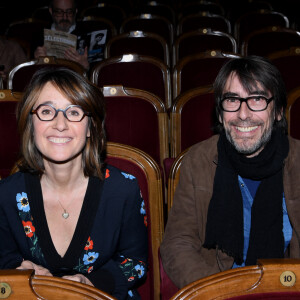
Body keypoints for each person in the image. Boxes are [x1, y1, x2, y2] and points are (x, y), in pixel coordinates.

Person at [0, 67, 148, 300]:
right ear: (31, 123)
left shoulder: (123, 189)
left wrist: (90, 282)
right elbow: (4, 257)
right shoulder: (6, 194)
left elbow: (136, 264)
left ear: (91, 126)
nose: (60, 124)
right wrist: (18, 270)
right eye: (47, 111)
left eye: (74, 111)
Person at [160, 55, 300, 289]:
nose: (243, 114)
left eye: (257, 99)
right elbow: (177, 243)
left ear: (277, 112)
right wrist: (218, 291)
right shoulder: (199, 160)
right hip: (218, 285)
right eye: (232, 100)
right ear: (220, 111)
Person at [34, 0, 90, 70]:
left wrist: (85, 66)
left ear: (75, 11)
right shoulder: (39, 36)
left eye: (69, 12)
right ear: (51, 11)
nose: (65, 17)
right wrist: (37, 61)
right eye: (59, 12)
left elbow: (98, 73)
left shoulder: (87, 34)